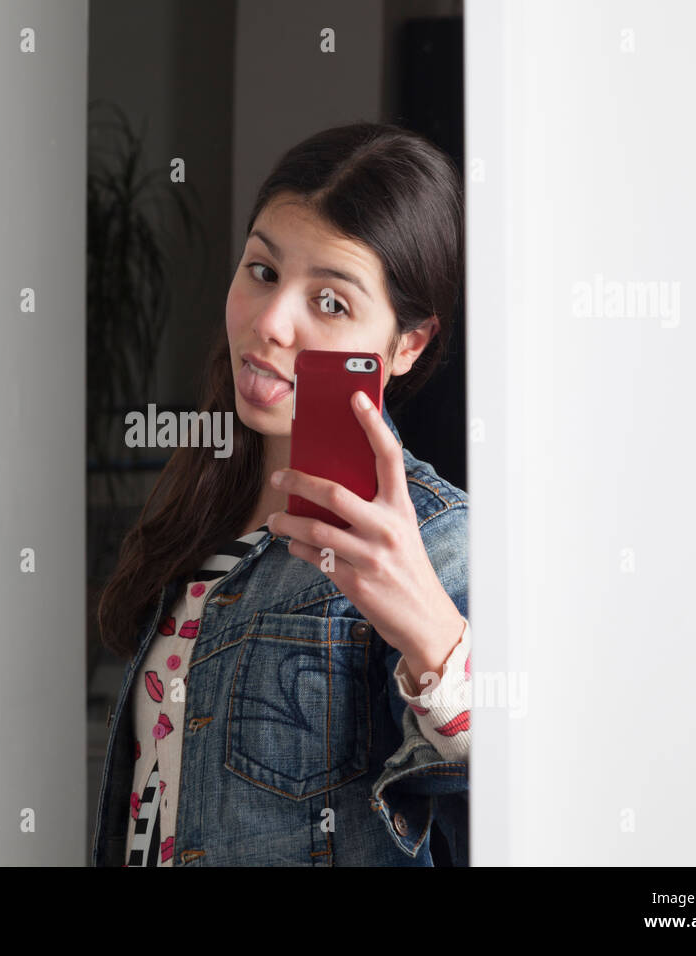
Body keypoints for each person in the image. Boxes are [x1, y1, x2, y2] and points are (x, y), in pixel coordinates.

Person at [92, 122, 472, 866]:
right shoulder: (202, 504)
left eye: (330, 302)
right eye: (263, 271)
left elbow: (534, 809)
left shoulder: (438, 542)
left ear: (408, 344)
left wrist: (434, 639)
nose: (270, 323)